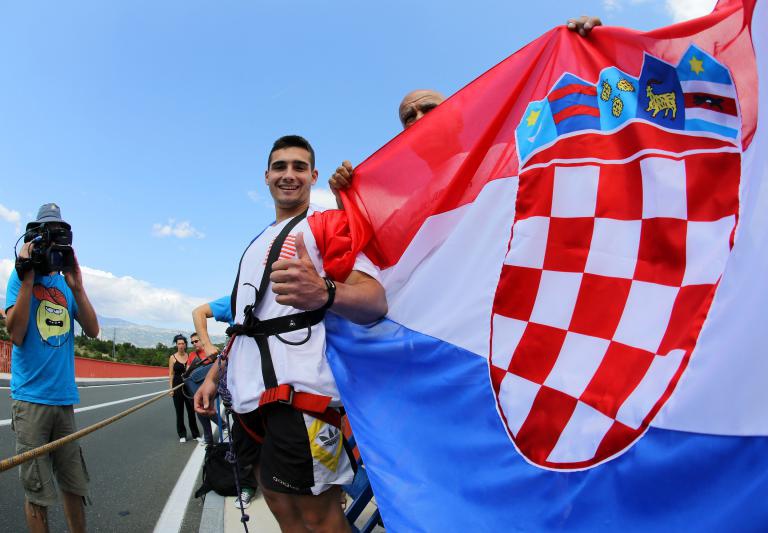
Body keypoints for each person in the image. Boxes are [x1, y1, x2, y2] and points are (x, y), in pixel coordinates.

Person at [195, 135, 387, 532]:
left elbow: (375, 301)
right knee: (279, 503)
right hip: (247, 398)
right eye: (280, 166)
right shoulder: (254, 243)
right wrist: (216, 374)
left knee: (321, 516)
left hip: (301, 394)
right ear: (266, 176)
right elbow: (247, 321)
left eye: (299, 167)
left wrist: (325, 291)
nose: (289, 175)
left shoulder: (328, 223)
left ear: (313, 175)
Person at [327, 15, 603, 196]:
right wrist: (348, 196)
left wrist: (595, 54)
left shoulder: (510, 156)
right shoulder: (410, 197)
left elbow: (582, 141)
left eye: (430, 108)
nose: (419, 117)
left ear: (457, 117)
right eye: (408, 116)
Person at [5, 203, 99, 533]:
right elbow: (16, 335)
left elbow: (92, 330)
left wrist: (77, 286)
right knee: (38, 493)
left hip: (63, 400)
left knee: (74, 485)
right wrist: (27, 280)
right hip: (31, 399)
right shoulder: (18, 281)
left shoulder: (65, 284)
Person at [192, 296, 258, 509]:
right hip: (242, 388)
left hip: (277, 384)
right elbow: (198, 312)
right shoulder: (238, 298)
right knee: (242, 439)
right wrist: (207, 344)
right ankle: (247, 487)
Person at [168, 334, 201, 443]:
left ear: (185, 345)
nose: (181, 345)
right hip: (177, 386)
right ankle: (182, 434)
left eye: (183, 343)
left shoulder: (190, 356)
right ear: (176, 345)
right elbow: (171, 374)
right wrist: (171, 389)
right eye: (179, 344)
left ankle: (195, 434)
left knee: (191, 411)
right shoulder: (172, 358)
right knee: (179, 412)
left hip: (188, 386)